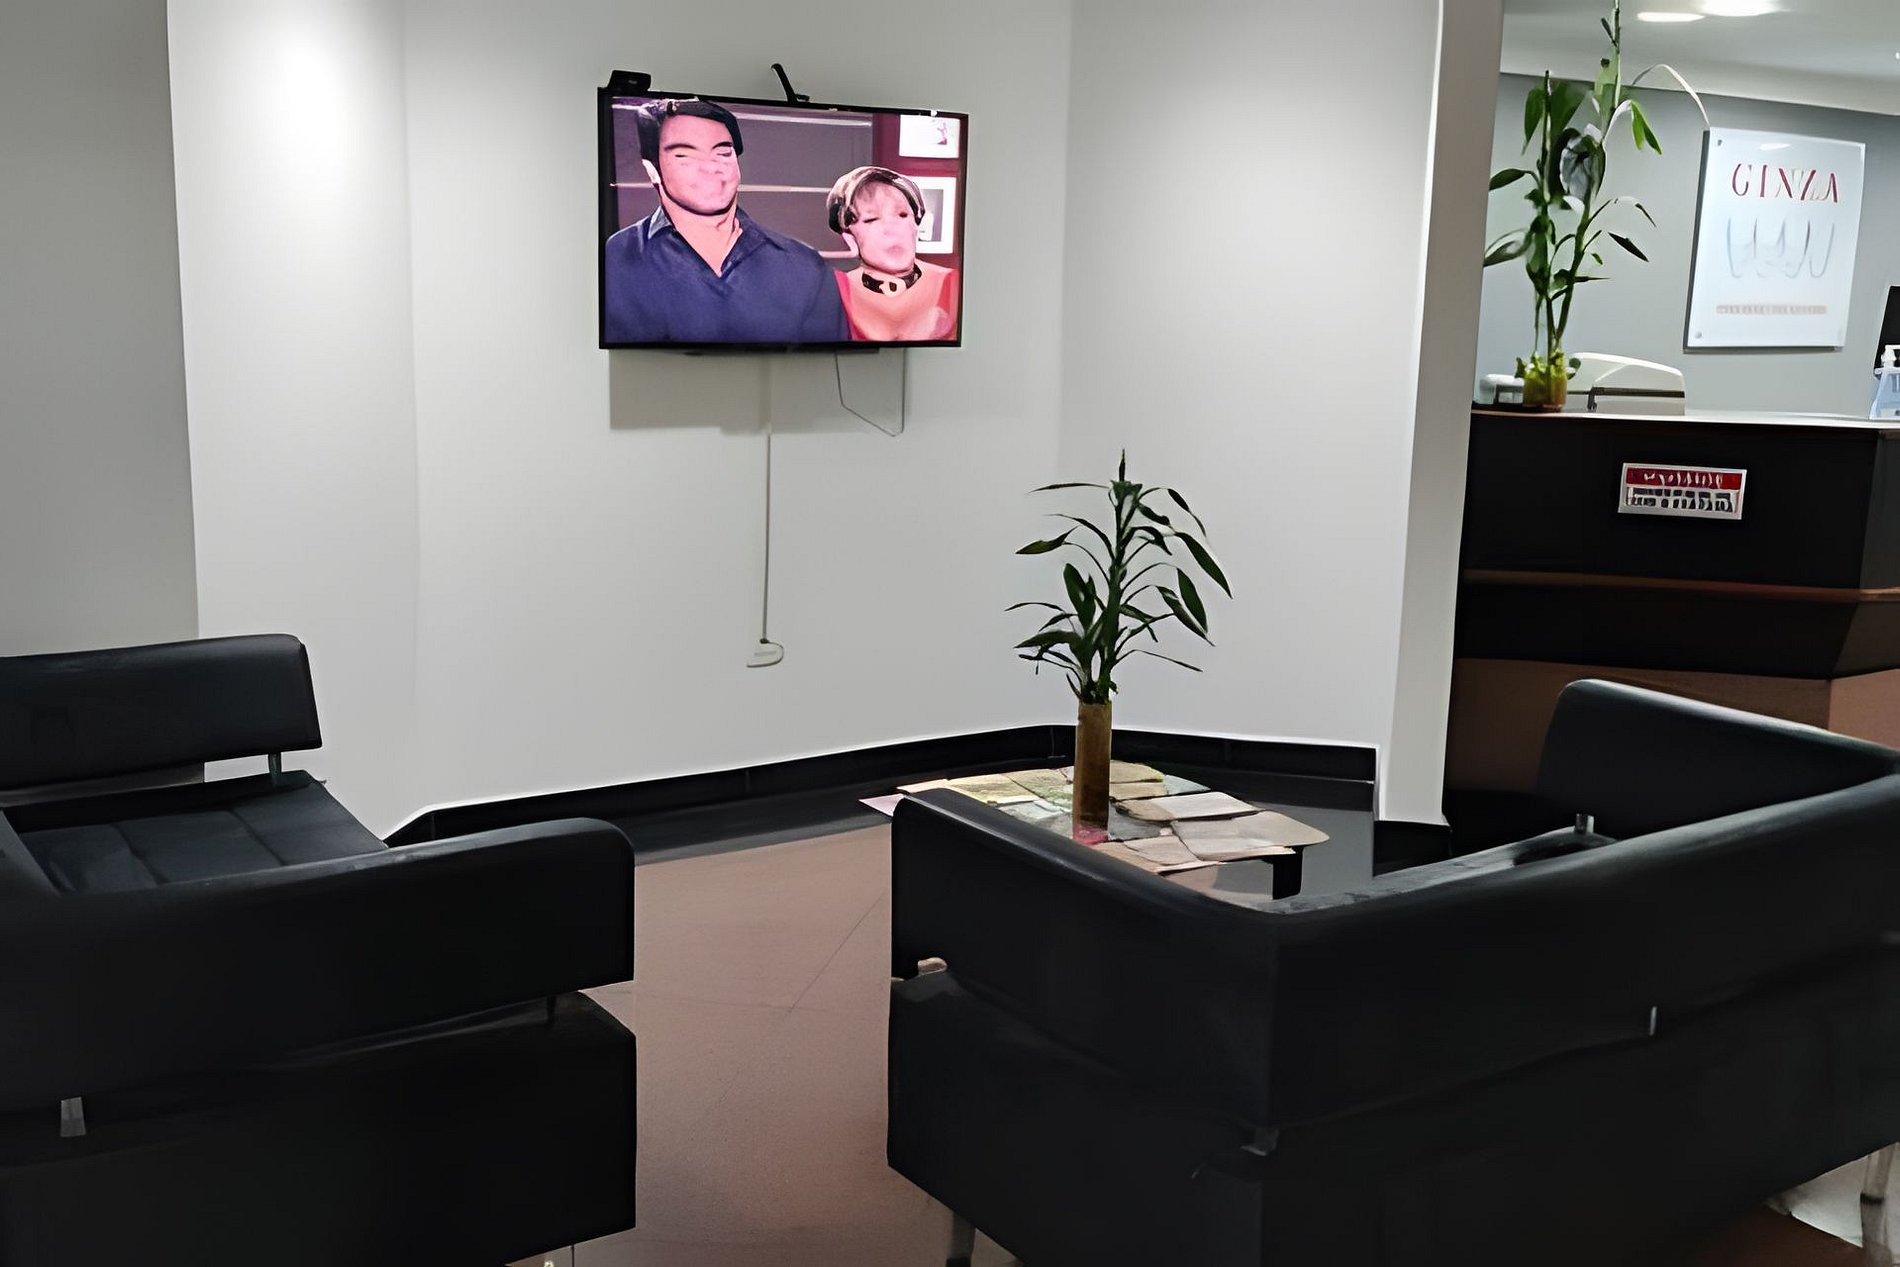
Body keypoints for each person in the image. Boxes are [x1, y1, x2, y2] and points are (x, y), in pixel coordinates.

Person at [602, 98, 848, 345]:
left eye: (723, 153)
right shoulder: (616, 258)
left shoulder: (804, 267)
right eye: (685, 156)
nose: (710, 168)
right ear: (652, 170)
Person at [824, 166, 960, 342]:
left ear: (916, 225)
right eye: (871, 219)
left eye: (902, 215)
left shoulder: (955, 284)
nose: (892, 229)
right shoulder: (833, 290)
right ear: (849, 237)